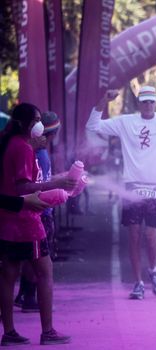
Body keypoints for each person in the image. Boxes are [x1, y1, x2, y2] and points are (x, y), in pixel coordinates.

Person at [86, 83, 156, 300]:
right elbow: (93, 126)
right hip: (133, 187)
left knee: (151, 235)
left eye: (151, 101)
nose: (148, 105)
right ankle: (138, 283)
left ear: (155, 103)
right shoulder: (125, 122)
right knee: (134, 236)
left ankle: (154, 271)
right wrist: (104, 100)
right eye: (144, 101)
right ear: (139, 104)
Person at [0, 103, 76, 346]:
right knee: (45, 273)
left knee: (8, 276)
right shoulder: (22, 148)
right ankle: (48, 331)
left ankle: (9, 332)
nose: (39, 124)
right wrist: (53, 187)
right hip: (26, 221)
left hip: (8, 220)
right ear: (24, 124)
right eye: (35, 120)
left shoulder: (12, 144)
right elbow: (23, 187)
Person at [14, 111, 62, 313]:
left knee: (27, 258)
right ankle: (30, 298)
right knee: (42, 263)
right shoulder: (41, 155)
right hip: (41, 214)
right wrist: (60, 189)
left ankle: (23, 295)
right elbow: (39, 185)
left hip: (32, 212)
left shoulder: (33, 152)